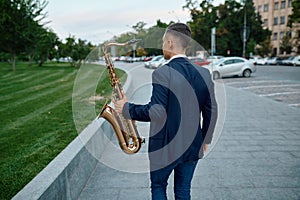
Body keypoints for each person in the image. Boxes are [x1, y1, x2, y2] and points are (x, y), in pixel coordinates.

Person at [114, 23, 218, 200]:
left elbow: (156, 112)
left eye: (163, 42)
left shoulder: (163, 72)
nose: (162, 46)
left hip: (164, 147)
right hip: (193, 144)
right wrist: (206, 139)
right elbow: (212, 110)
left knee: (159, 186)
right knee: (184, 190)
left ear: (170, 43)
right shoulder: (204, 73)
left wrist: (126, 108)